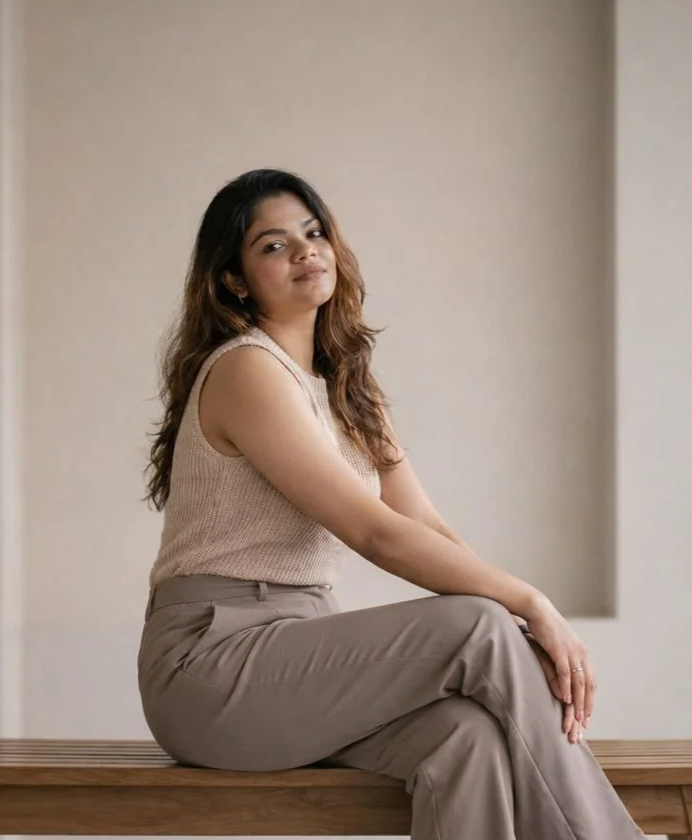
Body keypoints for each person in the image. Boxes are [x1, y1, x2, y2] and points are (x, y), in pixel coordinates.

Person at [138, 168, 644, 839]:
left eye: (313, 232)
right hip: (211, 668)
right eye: (272, 245)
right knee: (478, 627)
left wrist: (511, 618)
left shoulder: (348, 385)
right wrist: (531, 606)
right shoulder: (246, 370)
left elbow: (422, 523)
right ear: (234, 280)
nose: (304, 250)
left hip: (296, 652)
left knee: (466, 738)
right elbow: (374, 534)